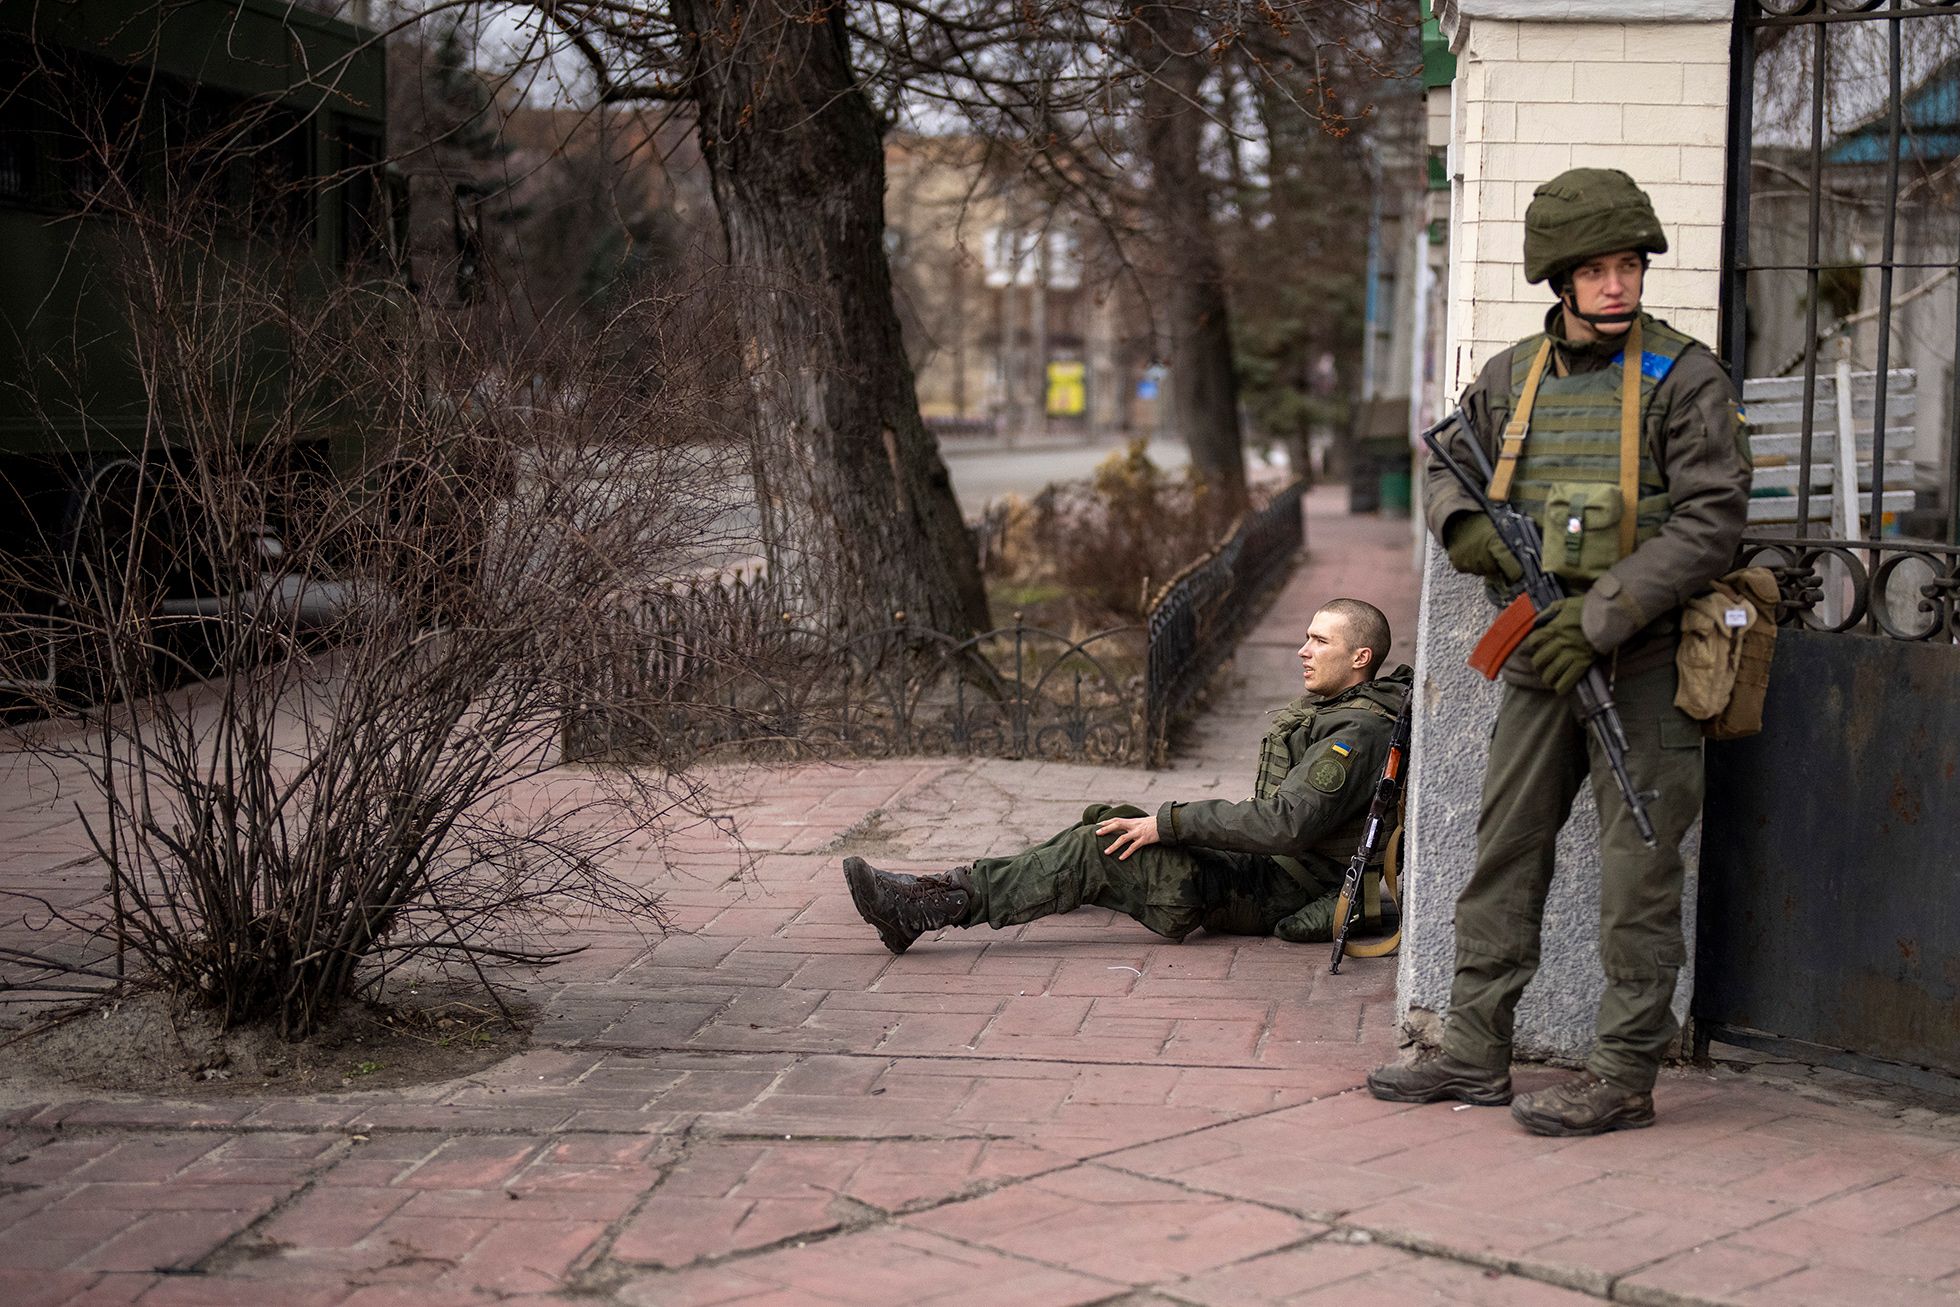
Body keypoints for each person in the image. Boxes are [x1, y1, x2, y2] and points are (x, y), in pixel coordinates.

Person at [1366, 168, 1751, 1136]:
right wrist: (1470, 533)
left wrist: (1603, 614)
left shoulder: (1685, 378)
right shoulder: (1512, 378)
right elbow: (1445, 467)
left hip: (1646, 660)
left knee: (1638, 876)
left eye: (1628, 266)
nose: (1616, 285)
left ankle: (1621, 1074)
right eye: (1594, 270)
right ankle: (1472, 1049)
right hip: (1539, 655)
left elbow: (1710, 523)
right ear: (1560, 279)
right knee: (1504, 852)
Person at [843, 598, 1412, 955]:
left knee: (1100, 849)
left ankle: (928, 906)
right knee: (1107, 821)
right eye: (1306, 636)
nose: (1302, 651)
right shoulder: (1345, 713)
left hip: (1272, 889)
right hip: (1267, 870)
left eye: (1319, 641)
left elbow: (1284, 825)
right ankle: (976, 887)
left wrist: (1170, 824)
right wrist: (1165, 825)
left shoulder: (1355, 734)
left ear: (1360, 658)